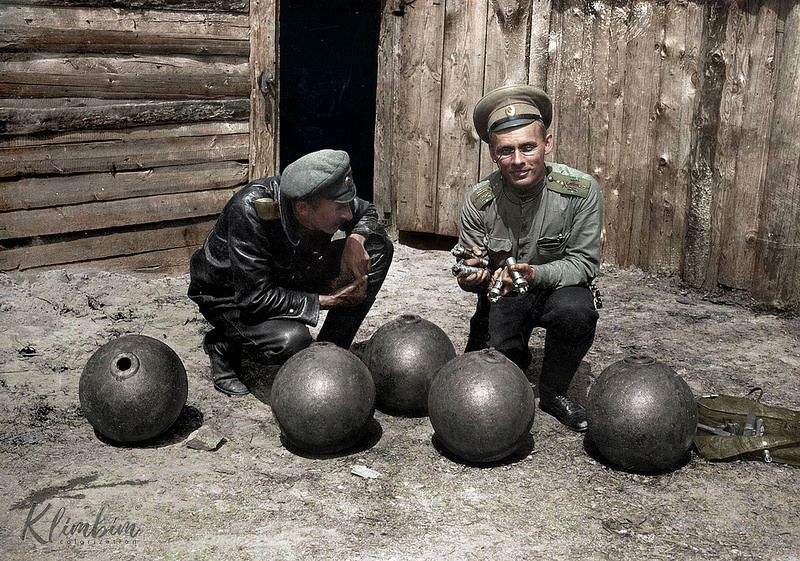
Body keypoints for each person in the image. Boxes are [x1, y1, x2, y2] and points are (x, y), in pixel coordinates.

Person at [455, 84, 603, 431]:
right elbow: (468, 264)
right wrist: (471, 276)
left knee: (577, 312)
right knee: (489, 379)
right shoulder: (479, 201)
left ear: (546, 144)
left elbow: (584, 263)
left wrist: (535, 274)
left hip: (558, 291)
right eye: (506, 151)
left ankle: (554, 392)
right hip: (504, 296)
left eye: (528, 147)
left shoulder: (581, 192)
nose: (518, 161)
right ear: (493, 153)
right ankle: (513, 353)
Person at [188, 149, 393, 396]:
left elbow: (366, 210)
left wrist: (356, 238)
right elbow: (254, 298)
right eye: (340, 207)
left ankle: (330, 350)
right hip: (230, 297)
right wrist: (330, 301)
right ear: (303, 208)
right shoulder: (250, 209)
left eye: (348, 204)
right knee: (292, 340)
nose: (348, 214)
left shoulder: (320, 195)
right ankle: (223, 343)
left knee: (377, 247)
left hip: (290, 273)